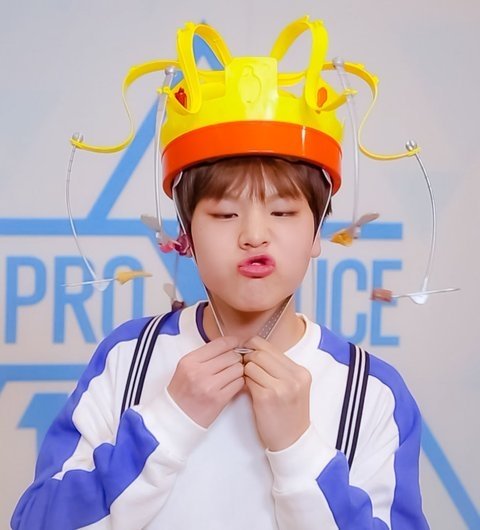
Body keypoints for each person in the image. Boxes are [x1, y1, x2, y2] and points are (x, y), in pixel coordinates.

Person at [12, 17, 429, 530]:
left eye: (283, 212)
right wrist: (169, 421)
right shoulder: (128, 358)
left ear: (318, 231)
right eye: (225, 214)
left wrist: (298, 449)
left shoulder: (372, 391)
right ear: (185, 234)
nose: (254, 235)